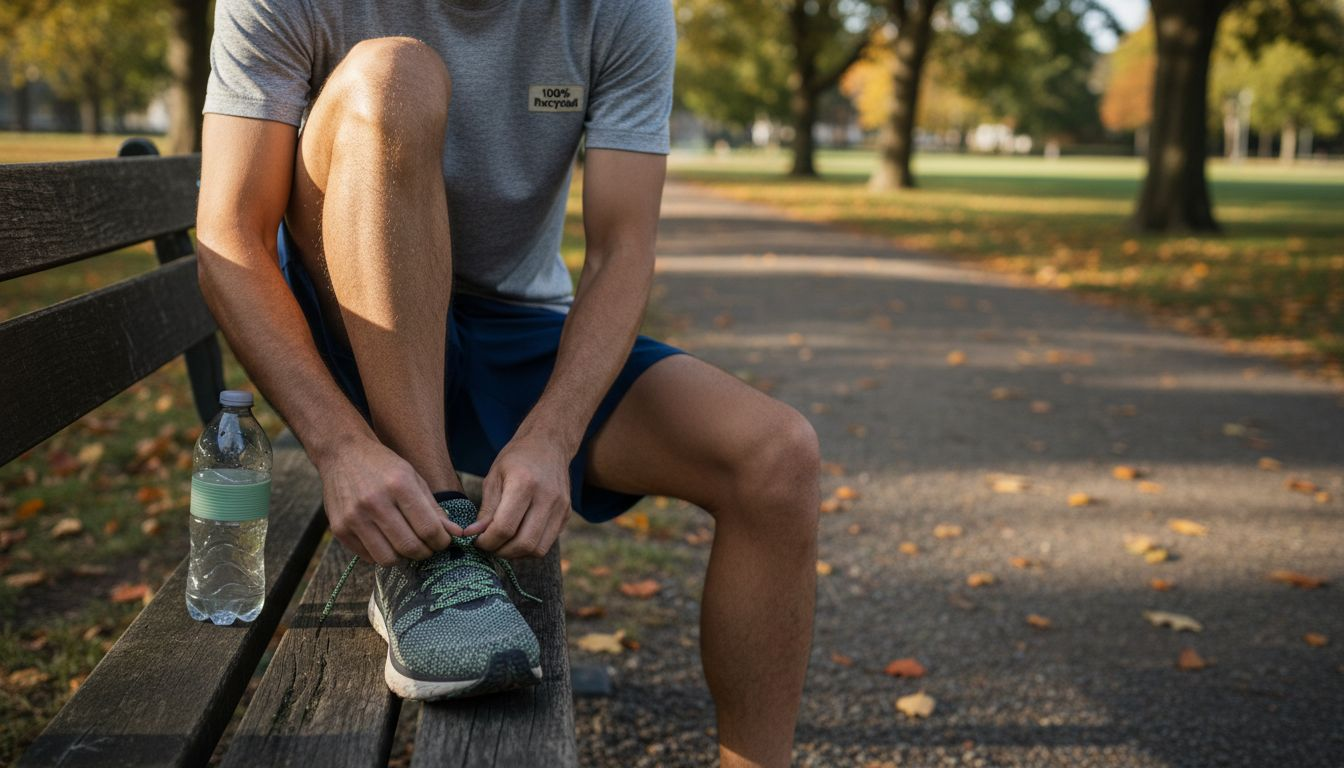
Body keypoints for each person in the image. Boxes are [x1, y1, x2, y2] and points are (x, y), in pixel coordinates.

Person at [195, 1, 819, 764]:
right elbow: (230, 233)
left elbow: (624, 249)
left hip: (515, 327)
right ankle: (436, 560)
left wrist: (554, 435)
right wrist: (338, 446)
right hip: (350, 318)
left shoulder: (621, 11)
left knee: (776, 459)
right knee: (392, 73)